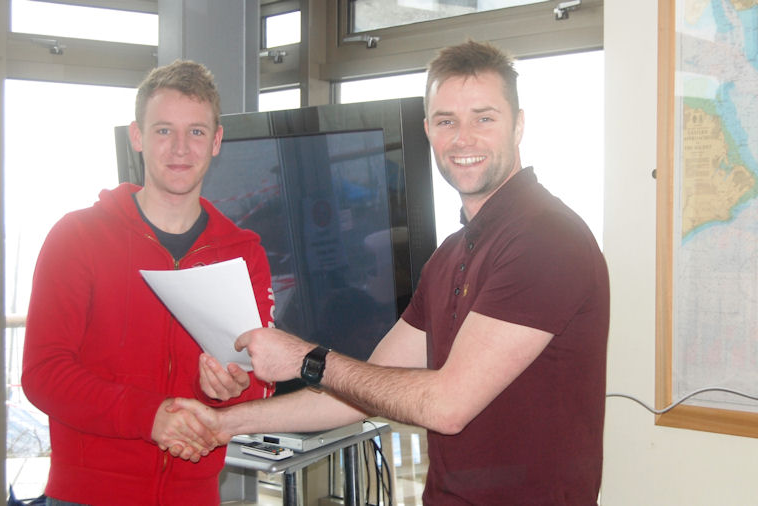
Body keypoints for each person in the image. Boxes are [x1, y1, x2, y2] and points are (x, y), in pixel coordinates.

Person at [178, 39, 610, 505]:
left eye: (484, 118)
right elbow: (361, 387)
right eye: (447, 121)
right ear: (428, 130)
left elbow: (447, 405)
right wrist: (225, 424)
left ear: (518, 125)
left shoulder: (545, 239)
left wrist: (307, 359)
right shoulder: (449, 256)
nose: (463, 138)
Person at [21, 60, 275, 506]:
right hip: (85, 495)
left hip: (194, 494)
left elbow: (261, 380)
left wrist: (227, 387)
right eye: (163, 131)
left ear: (216, 141)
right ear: (136, 136)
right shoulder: (76, 237)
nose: (180, 148)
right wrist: (149, 416)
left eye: (196, 132)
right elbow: (44, 373)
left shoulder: (243, 252)